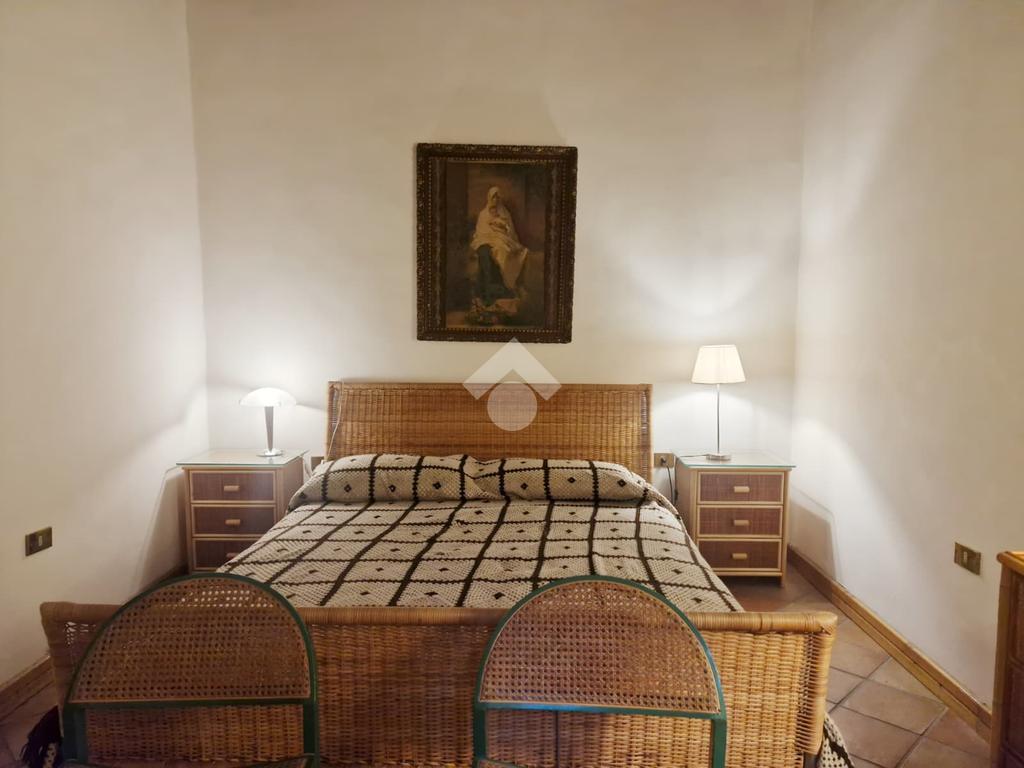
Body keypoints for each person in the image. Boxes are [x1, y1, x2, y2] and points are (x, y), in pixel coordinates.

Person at [469, 186, 528, 308]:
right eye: (493, 197)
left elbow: (510, 230)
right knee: (488, 253)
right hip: (486, 239)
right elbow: (481, 231)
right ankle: (489, 292)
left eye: (497, 197)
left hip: (502, 239)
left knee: (505, 250)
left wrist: (502, 227)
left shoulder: (504, 213)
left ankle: (507, 284)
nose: (495, 200)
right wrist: (492, 230)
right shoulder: (483, 214)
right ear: (489, 198)